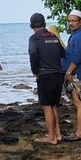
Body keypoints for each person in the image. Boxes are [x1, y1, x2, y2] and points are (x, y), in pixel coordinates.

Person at [28, 13, 64, 145]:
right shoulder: (53, 36)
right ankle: (58, 134)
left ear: (32, 25)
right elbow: (63, 53)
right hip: (58, 73)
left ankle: (51, 137)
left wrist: (35, 71)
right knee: (54, 105)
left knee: (47, 106)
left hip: (45, 74)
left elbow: (33, 54)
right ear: (44, 23)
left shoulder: (34, 38)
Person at [62, 9, 81, 141]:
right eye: (69, 21)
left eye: (74, 21)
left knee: (79, 103)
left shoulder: (80, 36)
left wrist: (69, 72)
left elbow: (78, 56)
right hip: (79, 73)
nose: (71, 23)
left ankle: (80, 132)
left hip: (78, 75)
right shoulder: (75, 35)